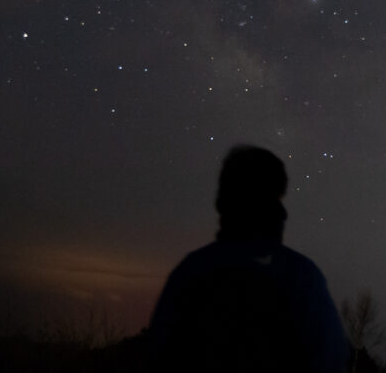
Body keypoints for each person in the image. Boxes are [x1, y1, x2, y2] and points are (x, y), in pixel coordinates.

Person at [148, 145, 349, 373]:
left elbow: (161, 354)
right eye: (276, 197)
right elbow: (330, 357)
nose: (283, 211)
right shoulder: (299, 276)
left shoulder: (190, 272)